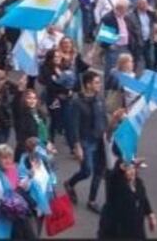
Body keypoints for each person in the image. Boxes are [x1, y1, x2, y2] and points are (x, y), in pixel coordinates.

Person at [64, 70, 107, 215]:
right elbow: (73, 126)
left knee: (99, 171)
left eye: (99, 82)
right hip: (86, 140)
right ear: (88, 85)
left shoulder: (99, 99)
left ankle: (92, 200)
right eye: (96, 82)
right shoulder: (77, 102)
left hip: (100, 139)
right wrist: (77, 146)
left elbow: (103, 119)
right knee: (87, 170)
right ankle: (70, 183)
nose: (99, 85)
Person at [0, 143, 36, 240]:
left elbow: (17, 186)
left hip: (12, 212)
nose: (8, 160)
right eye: (4, 158)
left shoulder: (13, 169)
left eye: (10, 157)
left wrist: (28, 179)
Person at [98, 159, 157, 239]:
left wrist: (150, 214)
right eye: (128, 169)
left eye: (133, 168)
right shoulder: (117, 186)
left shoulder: (138, 183)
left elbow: (143, 199)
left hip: (137, 230)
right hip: (118, 231)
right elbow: (112, 177)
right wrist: (120, 169)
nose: (132, 172)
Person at [17, 136, 58, 236]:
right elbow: (23, 185)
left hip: (42, 199)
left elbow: (52, 178)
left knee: (38, 225)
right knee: (32, 228)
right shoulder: (26, 161)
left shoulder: (43, 160)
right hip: (32, 201)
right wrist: (30, 176)